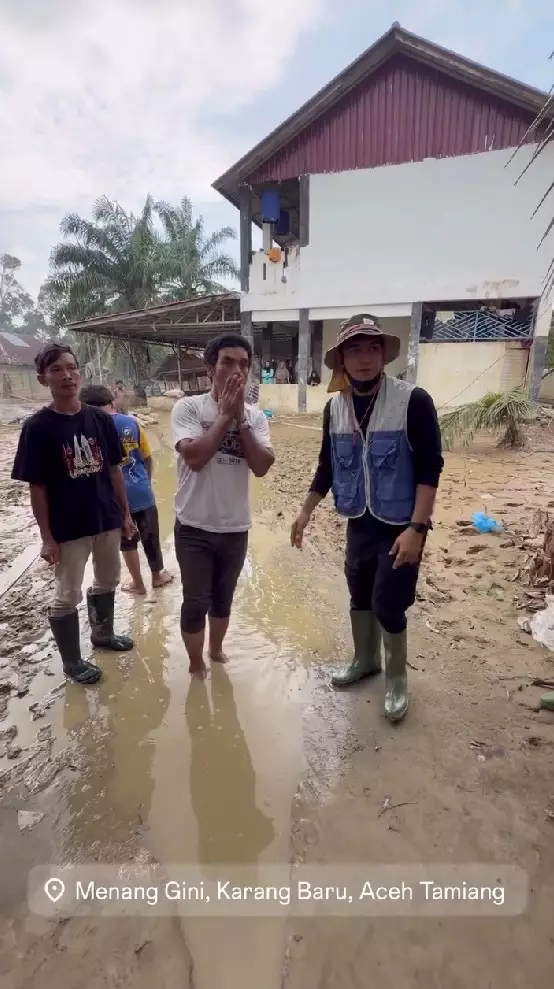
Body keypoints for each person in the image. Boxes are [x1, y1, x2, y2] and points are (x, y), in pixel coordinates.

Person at [290, 314, 443, 722]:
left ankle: (396, 679)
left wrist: (417, 529)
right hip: (359, 521)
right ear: (342, 359)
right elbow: (327, 467)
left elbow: (430, 469)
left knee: (389, 604)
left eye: (372, 348)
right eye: (354, 349)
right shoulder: (334, 408)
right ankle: (366, 660)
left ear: (383, 354)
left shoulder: (413, 401)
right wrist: (305, 512)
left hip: (402, 526)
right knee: (359, 594)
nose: (364, 358)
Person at [11, 343, 136, 686]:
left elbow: (114, 472)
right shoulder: (37, 428)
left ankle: (102, 634)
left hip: (106, 518)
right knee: (67, 594)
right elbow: (37, 487)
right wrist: (47, 537)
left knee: (108, 579)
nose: (67, 376)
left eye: (72, 367)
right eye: (56, 370)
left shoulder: (99, 419)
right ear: (42, 379)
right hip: (68, 527)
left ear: (79, 371)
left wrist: (125, 515)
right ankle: (71, 661)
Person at [171, 333, 275, 679]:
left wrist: (239, 418)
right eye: (228, 362)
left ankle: (215, 651)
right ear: (210, 367)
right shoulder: (188, 408)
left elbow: (261, 466)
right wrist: (224, 416)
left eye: (244, 364)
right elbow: (196, 457)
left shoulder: (256, 417)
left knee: (223, 598)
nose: (237, 371)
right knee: (195, 601)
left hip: (234, 528)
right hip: (193, 527)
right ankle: (195, 663)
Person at [80, 384, 174, 595]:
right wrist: (145, 482)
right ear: (112, 402)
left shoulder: (88, 430)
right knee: (150, 535)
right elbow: (147, 457)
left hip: (113, 498)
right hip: (141, 490)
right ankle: (158, 575)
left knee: (127, 540)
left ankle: (138, 583)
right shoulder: (131, 423)